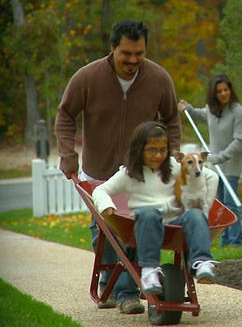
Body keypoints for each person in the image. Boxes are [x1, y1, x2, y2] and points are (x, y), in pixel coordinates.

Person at [55, 19, 181, 314]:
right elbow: (65, 115)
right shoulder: (88, 78)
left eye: (140, 53)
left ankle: (126, 292)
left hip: (138, 173)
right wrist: (67, 154)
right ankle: (108, 280)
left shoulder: (159, 79)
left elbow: (171, 118)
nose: (134, 60)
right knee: (104, 231)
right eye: (127, 53)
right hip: (97, 171)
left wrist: (169, 156)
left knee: (131, 228)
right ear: (112, 48)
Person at [92, 121, 219, 295]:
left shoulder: (174, 166)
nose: (158, 156)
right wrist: (106, 205)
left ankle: (201, 263)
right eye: (152, 150)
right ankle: (149, 271)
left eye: (163, 150)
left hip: (175, 223)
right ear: (139, 149)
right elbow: (101, 190)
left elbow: (212, 177)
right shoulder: (128, 174)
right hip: (147, 223)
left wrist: (205, 207)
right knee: (149, 211)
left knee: (195, 215)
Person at [178, 73, 242, 247]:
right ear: (214, 94)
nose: (224, 94)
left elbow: (239, 141)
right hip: (216, 166)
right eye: (219, 91)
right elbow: (200, 114)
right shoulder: (212, 110)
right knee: (222, 204)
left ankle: (236, 241)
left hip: (230, 163)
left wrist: (220, 157)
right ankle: (225, 240)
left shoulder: (237, 111)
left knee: (231, 203)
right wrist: (188, 108)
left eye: (226, 90)